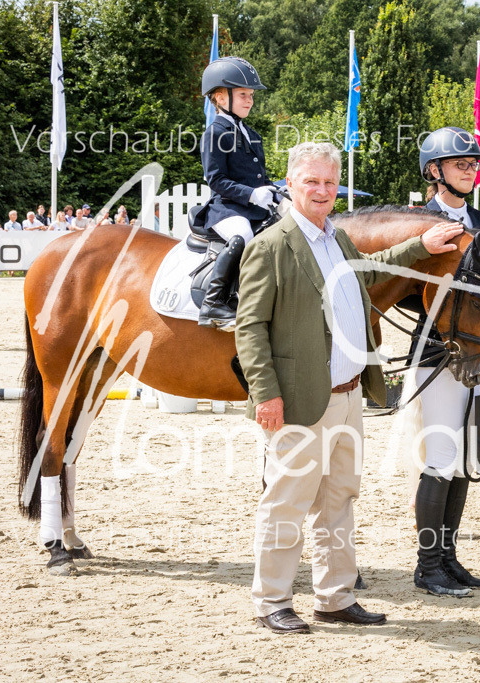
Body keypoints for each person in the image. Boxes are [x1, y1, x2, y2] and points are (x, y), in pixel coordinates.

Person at [236, 141, 465, 634]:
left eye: (328, 182)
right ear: (292, 184)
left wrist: (418, 249)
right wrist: (266, 393)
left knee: (338, 501)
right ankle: (272, 599)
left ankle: (334, 596)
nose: (321, 190)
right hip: (298, 397)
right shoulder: (271, 246)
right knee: (286, 501)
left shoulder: (337, 239)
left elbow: (371, 273)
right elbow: (250, 327)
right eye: (311, 181)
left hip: (347, 395)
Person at [408, 126, 480, 597]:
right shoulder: (417, 221)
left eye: (473, 164)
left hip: (479, 349)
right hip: (438, 352)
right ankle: (427, 566)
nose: (471, 170)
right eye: (460, 164)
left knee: (465, 459)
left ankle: (448, 559)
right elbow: (407, 293)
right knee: (442, 456)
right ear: (434, 170)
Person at [198, 56, 278, 329]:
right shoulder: (214, 132)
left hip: (252, 206)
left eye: (251, 95)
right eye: (243, 94)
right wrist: (251, 195)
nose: (250, 100)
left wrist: (274, 191)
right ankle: (213, 302)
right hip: (226, 207)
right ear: (220, 97)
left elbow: (261, 177)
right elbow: (216, 180)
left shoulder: (252, 134)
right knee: (241, 235)